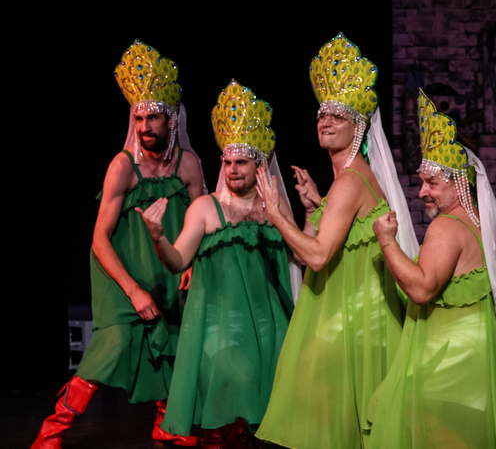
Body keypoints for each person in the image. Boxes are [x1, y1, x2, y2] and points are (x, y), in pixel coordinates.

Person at [31, 39, 205, 449]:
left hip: (168, 267)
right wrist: (133, 290)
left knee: (174, 343)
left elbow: (202, 222)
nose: (144, 127)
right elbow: (99, 239)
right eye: (138, 118)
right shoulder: (123, 167)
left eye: (153, 117)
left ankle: (167, 424)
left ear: (171, 119)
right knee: (113, 347)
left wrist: (194, 266)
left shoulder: (190, 165)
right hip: (122, 273)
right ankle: (51, 432)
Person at [366, 89, 496, 448]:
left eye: (432, 183)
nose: (422, 192)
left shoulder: (445, 227)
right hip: (486, 348)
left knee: (403, 415)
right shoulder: (481, 225)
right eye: (422, 182)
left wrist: (387, 241)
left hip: (456, 355)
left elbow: (422, 289)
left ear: (458, 183)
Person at [254, 33, 419, 449]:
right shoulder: (350, 180)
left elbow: (317, 256)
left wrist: (276, 215)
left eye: (337, 116)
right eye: (321, 114)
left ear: (359, 126)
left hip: (356, 322)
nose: (324, 122)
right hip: (358, 317)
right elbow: (323, 245)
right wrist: (314, 208)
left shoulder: (348, 182)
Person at [138, 79, 297, 448]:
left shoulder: (274, 209)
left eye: (241, 162)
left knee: (263, 421)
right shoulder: (205, 209)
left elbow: (302, 255)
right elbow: (178, 261)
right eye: (227, 162)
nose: (231, 169)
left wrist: (309, 214)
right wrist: (158, 236)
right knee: (224, 408)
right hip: (220, 328)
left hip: (269, 327)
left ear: (259, 165)